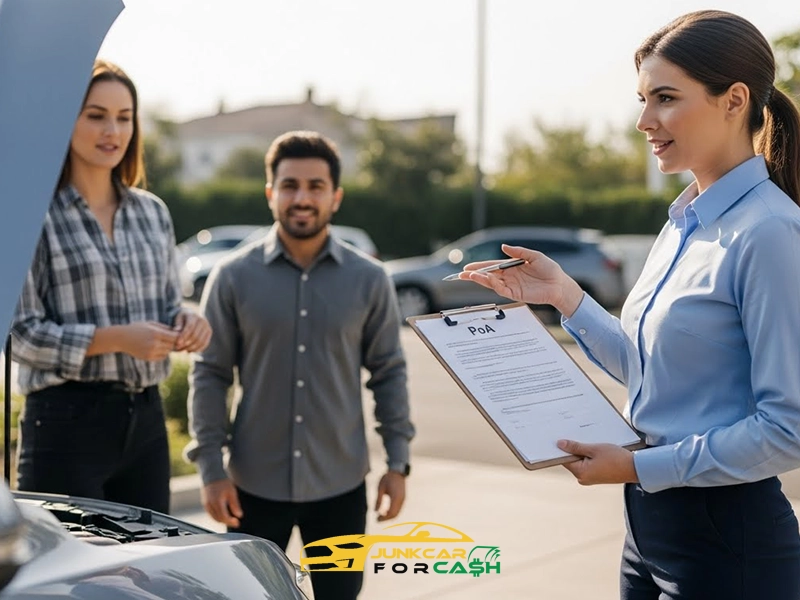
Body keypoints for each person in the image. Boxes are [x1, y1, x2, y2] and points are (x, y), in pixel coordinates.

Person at [459, 10, 800, 600]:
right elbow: (652, 371)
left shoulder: (770, 233)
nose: (644, 121)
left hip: (729, 543)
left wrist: (640, 467)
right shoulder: (684, 222)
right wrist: (563, 295)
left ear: (734, 100)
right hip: (647, 531)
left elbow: (789, 428)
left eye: (665, 98)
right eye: (642, 99)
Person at [185, 130, 414, 600]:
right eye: (290, 185)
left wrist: (398, 461)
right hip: (251, 487)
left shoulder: (369, 280)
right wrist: (210, 467)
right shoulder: (232, 277)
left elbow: (388, 371)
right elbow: (210, 374)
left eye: (315, 186)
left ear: (336, 197)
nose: (302, 197)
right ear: (271, 193)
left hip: (340, 487)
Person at [11, 59, 211, 515]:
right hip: (63, 424)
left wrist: (187, 322)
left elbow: (167, 304)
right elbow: (19, 335)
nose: (113, 130)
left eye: (124, 117)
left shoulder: (152, 212)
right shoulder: (31, 213)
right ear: (65, 117)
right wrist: (116, 339)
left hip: (146, 422)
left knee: (144, 578)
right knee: (69, 582)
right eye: (96, 115)